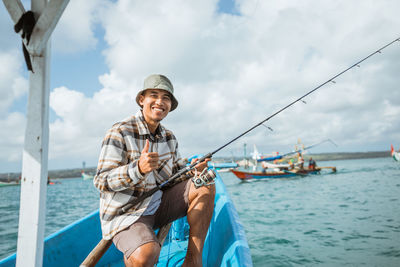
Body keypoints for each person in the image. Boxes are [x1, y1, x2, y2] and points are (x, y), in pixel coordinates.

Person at [93, 74, 215, 267]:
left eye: (166, 98)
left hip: (158, 205)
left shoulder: (169, 137)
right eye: (154, 95)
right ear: (142, 100)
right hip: (126, 214)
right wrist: (138, 169)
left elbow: (175, 173)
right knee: (146, 254)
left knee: (204, 182)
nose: (160, 102)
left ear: (170, 106)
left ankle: (193, 261)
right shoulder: (119, 131)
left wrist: (193, 170)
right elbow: (101, 181)